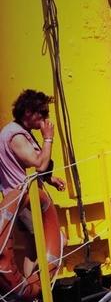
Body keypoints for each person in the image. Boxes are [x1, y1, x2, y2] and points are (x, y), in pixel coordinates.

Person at [0, 89, 66, 278]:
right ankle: (37, 289)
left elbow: (26, 165)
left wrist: (49, 179)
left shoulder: (20, 131)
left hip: (25, 198)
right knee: (59, 242)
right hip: (25, 201)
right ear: (28, 112)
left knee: (32, 249)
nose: (46, 118)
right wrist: (48, 138)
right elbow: (39, 164)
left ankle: (29, 288)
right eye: (42, 113)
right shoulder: (16, 136)